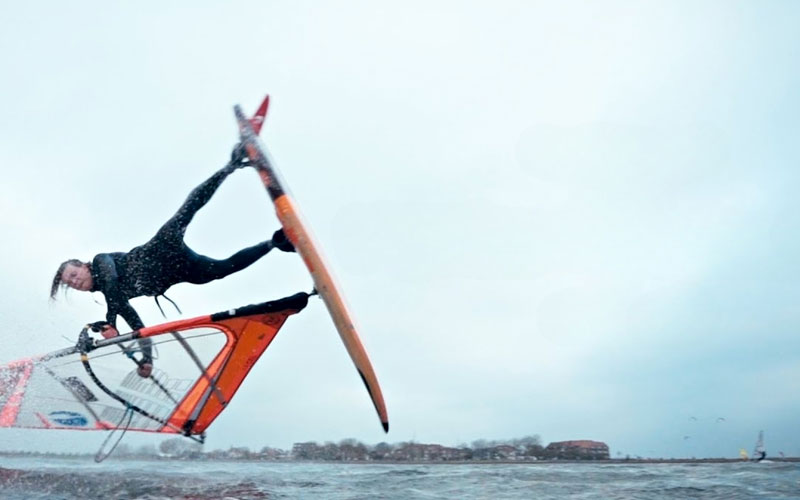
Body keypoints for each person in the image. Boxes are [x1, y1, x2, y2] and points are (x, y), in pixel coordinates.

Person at [50, 157, 295, 377]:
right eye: (70, 284)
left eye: (73, 275)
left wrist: (110, 320)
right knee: (222, 270)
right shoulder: (115, 300)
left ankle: (231, 165)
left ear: (84, 266)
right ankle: (276, 242)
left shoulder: (101, 261)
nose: (74, 282)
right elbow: (140, 330)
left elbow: (111, 280)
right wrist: (146, 360)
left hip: (161, 249)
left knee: (186, 211)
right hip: (178, 271)